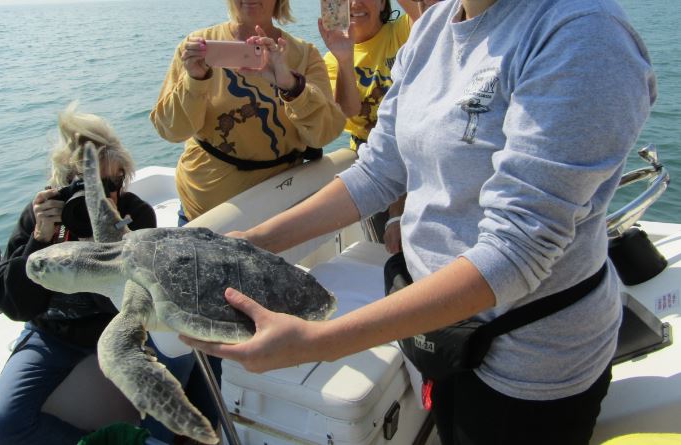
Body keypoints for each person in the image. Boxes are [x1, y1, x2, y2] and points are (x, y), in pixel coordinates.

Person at [181, 0, 656, 444]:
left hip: (526, 369)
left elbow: (517, 250)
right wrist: (254, 240)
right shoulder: (433, 27)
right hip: (438, 336)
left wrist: (318, 342)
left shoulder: (582, 35)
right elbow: (377, 172)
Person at [0, 104, 192, 445]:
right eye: (87, 186)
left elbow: (140, 299)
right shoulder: (44, 221)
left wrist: (113, 245)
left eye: (113, 182)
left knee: (183, 354)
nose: (103, 195)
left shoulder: (134, 213)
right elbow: (15, 306)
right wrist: (39, 241)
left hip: (122, 327)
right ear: (62, 185)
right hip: (54, 334)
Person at [150, 0, 346, 226]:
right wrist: (194, 80)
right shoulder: (197, 48)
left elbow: (325, 134)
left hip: (277, 208)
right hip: (203, 207)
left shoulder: (304, 55)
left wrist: (292, 86)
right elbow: (172, 131)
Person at [319, 0, 422, 253]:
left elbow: (430, 13)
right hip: (375, 164)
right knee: (387, 253)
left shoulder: (402, 30)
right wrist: (344, 59)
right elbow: (349, 110)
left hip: (418, 155)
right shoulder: (331, 60)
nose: (355, 3)